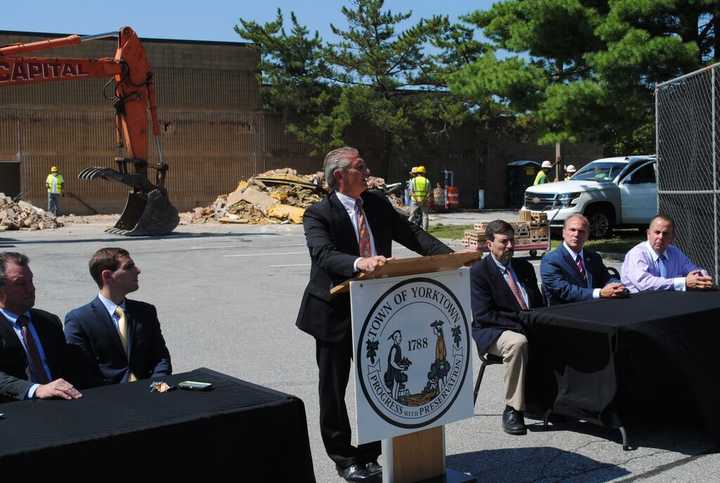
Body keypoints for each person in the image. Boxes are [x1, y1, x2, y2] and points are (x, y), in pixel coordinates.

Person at [296, 146, 452, 482]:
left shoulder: (378, 205)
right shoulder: (318, 214)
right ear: (340, 175)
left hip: (377, 312)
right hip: (334, 312)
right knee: (333, 389)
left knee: (377, 384)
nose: (368, 171)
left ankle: (370, 454)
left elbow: (414, 236)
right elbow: (324, 254)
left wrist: (454, 257)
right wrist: (360, 263)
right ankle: (343, 456)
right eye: (360, 166)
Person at [470, 220, 544, 435]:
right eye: (504, 242)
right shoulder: (479, 272)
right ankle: (513, 409)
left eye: (512, 241)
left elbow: (536, 303)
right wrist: (522, 324)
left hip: (526, 323)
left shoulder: (524, 267)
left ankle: (553, 401)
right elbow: (484, 315)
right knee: (518, 343)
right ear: (489, 244)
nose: (510, 246)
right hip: (493, 331)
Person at [64, 248, 171, 387]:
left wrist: (157, 385)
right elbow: (80, 370)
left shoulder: (146, 312)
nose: (138, 270)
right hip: (108, 400)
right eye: (129, 267)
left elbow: (160, 356)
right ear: (107, 276)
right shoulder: (80, 320)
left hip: (151, 392)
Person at [0, 252, 82, 402]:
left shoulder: (48, 321)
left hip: (59, 406)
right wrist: (36, 389)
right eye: (20, 283)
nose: (31, 289)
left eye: (31, 281)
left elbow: (67, 366)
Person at [541, 214, 626, 305]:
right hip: (566, 312)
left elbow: (606, 278)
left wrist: (617, 286)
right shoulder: (551, 260)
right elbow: (563, 290)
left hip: (596, 308)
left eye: (581, 231)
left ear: (587, 235)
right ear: (563, 233)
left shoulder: (594, 257)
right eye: (572, 230)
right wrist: (599, 293)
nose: (576, 234)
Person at [621, 214, 714, 293]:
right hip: (640, 303)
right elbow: (645, 284)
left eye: (665, 233)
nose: (660, 237)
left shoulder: (674, 252)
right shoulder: (637, 254)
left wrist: (701, 277)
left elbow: (691, 269)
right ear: (648, 233)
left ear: (672, 237)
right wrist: (683, 282)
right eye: (657, 232)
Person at [408, 165, 430, 230]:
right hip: (424, 201)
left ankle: (406, 229)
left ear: (417, 172)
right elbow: (429, 193)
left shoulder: (413, 180)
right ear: (423, 173)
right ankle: (425, 231)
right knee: (425, 216)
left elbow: (411, 192)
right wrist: (423, 200)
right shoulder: (427, 181)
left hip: (415, 201)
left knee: (412, 215)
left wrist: (417, 200)